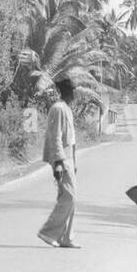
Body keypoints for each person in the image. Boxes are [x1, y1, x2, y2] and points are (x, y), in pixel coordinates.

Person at [37, 75, 80, 249]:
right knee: (69, 197)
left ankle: (66, 237)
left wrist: (74, 162)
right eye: (72, 91)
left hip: (69, 157)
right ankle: (48, 232)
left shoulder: (67, 109)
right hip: (61, 158)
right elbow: (55, 137)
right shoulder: (58, 108)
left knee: (70, 198)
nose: (75, 94)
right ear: (67, 91)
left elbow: (72, 139)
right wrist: (59, 163)